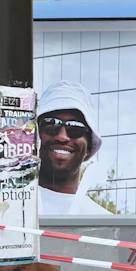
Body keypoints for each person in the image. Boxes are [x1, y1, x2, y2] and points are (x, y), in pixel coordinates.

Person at [35, 80, 114, 215]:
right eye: (51, 124)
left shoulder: (104, 224)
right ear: (34, 137)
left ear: (89, 146)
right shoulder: (5, 212)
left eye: (75, 128)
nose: (62, 137)